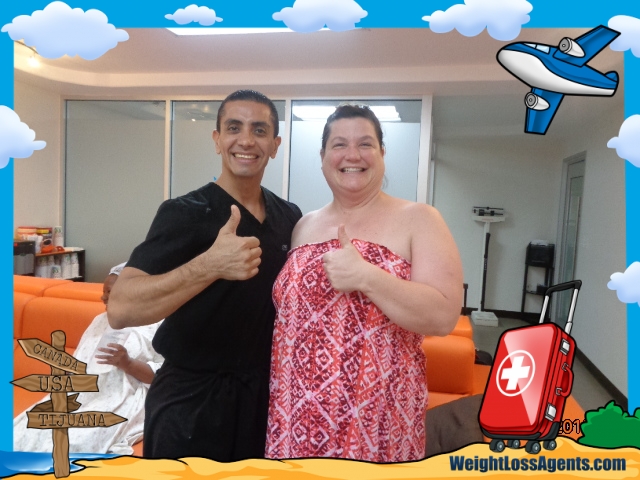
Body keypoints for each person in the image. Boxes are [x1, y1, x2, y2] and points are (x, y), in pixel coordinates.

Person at [107, 90, 302, 461]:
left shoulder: (289, 217)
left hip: (264, 400)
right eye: (234, 128)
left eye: (260, 130)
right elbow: (121, 309)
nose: (246, 140)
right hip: (190, 401)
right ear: (217, 139)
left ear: (275, 146)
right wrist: (209, 266)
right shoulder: (184, 212)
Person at [265, 104, 464, 462]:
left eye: (365, 144)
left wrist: (367, 277)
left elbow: (443, 317)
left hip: (377, 424)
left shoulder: (419, 219)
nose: (352, 155)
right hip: (296, 420)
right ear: (323, 157)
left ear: (382, 153)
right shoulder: (303, 226)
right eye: (339, 144)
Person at [14, 263, 164, 455]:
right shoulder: (100, 320)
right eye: (103, 291)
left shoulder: (157, 327)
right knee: (25, 430)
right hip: (80, 393)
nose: (103, 297)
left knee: (70, 441)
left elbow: (164, 378)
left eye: (109, 292)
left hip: (122, 399)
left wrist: (127, 363)